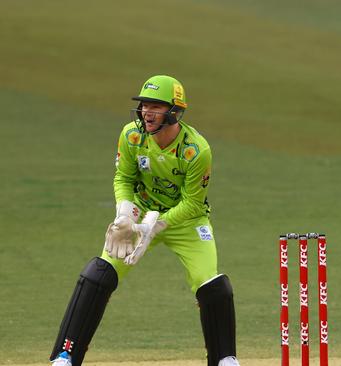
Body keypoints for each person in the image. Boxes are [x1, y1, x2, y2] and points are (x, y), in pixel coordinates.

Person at [49, 75, 239, 366]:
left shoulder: (196, 150)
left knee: (210, 283)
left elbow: (192, 203)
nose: (146, 112)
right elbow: (123, 177)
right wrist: (124, 214)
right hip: (139, 215)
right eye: (143, 105)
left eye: (155, 106)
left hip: (184, 222)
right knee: (99, 274)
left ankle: (225, 359)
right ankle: (65, 355)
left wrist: (158, 225)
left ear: (174, 111)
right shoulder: (131, 136)